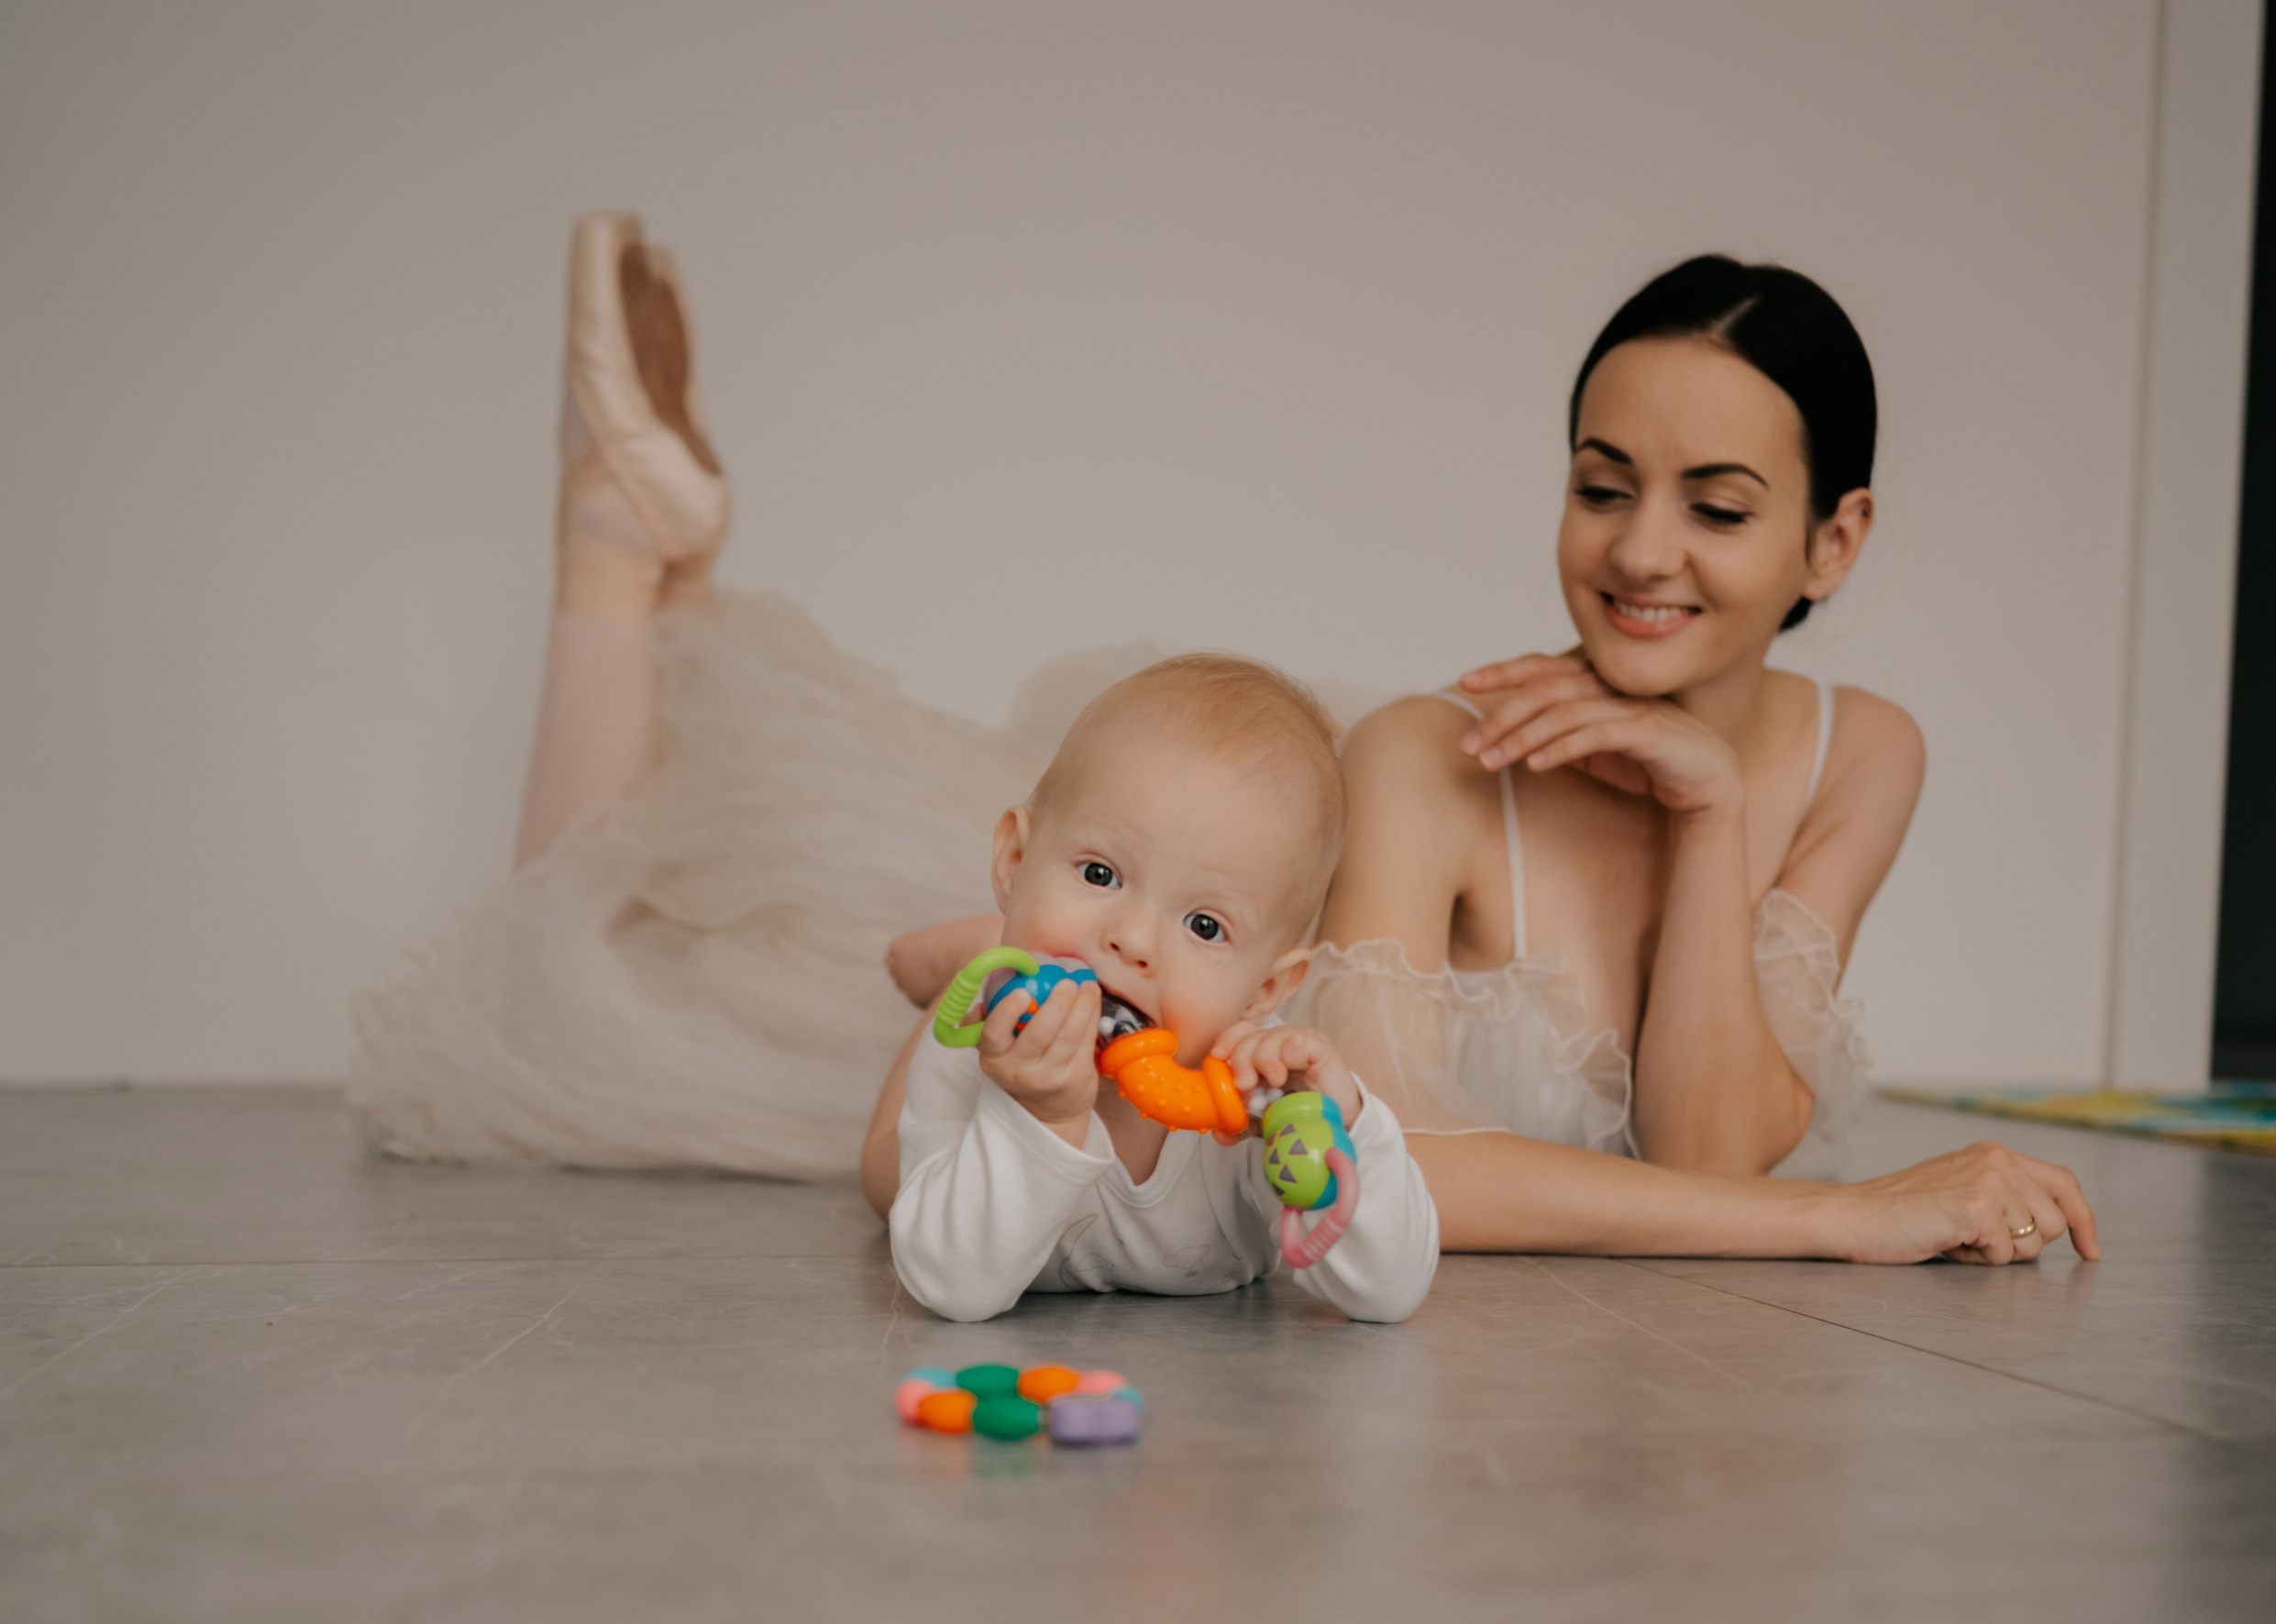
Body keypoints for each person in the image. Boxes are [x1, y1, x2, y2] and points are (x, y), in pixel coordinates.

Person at [353, 215, 2094, 1270]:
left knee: (644, 929)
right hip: (1107, 991)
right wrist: (1847, 1222)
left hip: (1186, 961)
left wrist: (1712, 814)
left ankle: (652, 548)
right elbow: (1416, 1170)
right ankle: (615, 543)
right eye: (1599, 485)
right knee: (587, 954)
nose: (1641, 554)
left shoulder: (1861, 754)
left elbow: (1711, 1139)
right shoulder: (1433, 755)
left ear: (1834, 544)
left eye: (1719, 508)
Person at [885, 655, 1437, 1323]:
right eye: (1099, 874)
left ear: (1264, 988)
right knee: (879, 1174)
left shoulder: (1255, 1097)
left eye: (1204, 925)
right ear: (1015, 863)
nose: (1133, 940)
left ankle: (987, 935)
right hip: (971, 1054)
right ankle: (970, 958)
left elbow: (1391, 1292)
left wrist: (1340, 1123)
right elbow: (951, 1284)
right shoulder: (971, 1061)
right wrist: (1040, 1115)